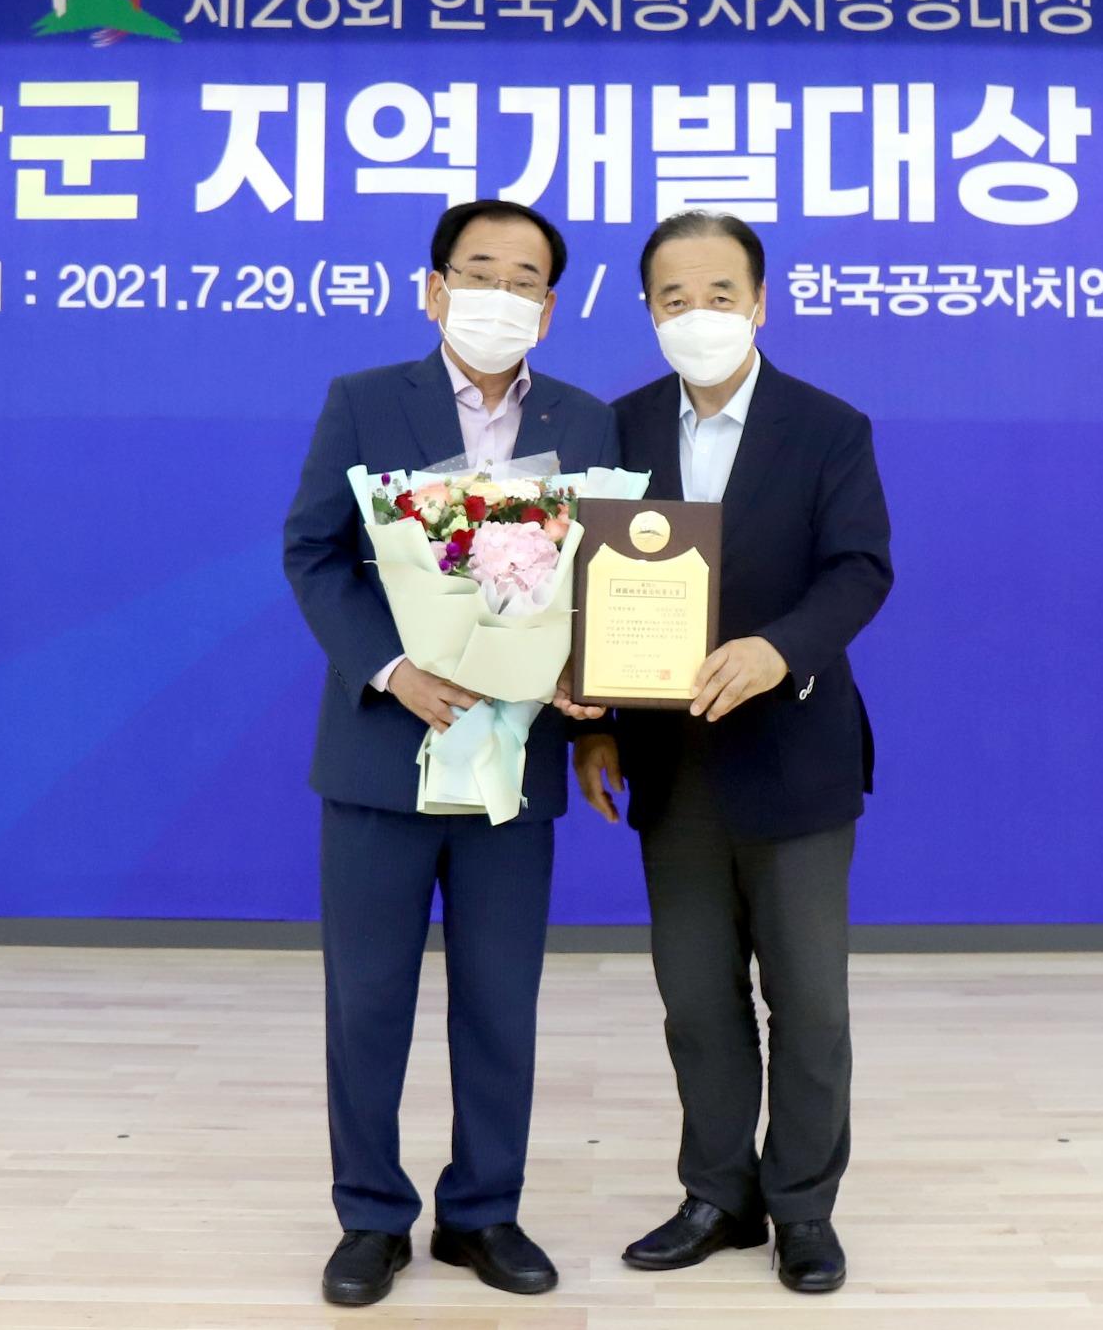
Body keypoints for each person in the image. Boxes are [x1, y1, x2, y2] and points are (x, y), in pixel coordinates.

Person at [282, 199, 619, 1307]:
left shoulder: (586, 421)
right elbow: (313, 552)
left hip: (515, 762)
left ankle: (483, 1211)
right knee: (367, 1001)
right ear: (433, 289)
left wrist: (585, 686)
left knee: (499, 1000)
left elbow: (604, 581)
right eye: (479, 271)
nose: (498, 295)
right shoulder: (364, 399)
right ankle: (370, 1218)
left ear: (549, 310)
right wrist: (391, 668)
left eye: (523, 280)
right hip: (383, 751)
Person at [574, 210, 893, 1294]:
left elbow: (858, 568)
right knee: (698, 1001)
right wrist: (595, 726)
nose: (698, 313)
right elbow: (587, 591)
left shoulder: (828, 426)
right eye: (675, 297)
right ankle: (718, 1193)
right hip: (671, 767)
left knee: (809, 1004)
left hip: (793, 754)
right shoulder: (616, 429)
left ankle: (802, 1206)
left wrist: (775, 649)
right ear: (648, 311)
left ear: (759, 302)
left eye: (720, 294)